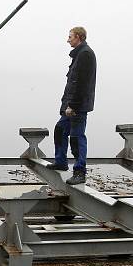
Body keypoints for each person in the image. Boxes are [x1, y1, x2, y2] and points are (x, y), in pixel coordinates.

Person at [47, 26, 97, 185]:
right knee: (60, 129)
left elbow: (82, 84)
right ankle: (61, 162)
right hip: (70, 105)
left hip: (77, 107)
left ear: (79, 37)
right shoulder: (79, 55)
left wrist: (73, 106)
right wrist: (66, 105)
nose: (67, 39)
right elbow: (73, 83)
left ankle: (79, 171)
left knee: (76, 137)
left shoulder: (85, 55)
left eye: (70, 37)